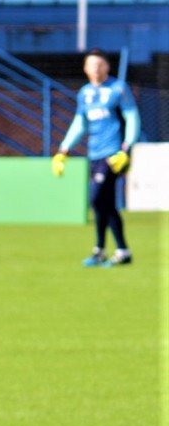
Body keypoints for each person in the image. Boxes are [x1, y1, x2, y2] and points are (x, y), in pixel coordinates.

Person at [52, 48, 140, 267]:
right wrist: (63, 149)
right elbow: (80, 123)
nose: (96, 69)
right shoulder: (85, 93)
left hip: (113, 154)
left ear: (107, 67)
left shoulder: (118, 89)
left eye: (100, 64)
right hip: (94, 153)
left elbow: (132, 117)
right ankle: (111, 251)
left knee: (97, 198)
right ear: (85, 68)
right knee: (103, 203)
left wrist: (126, 149)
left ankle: (114, 250)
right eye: (92, 65)